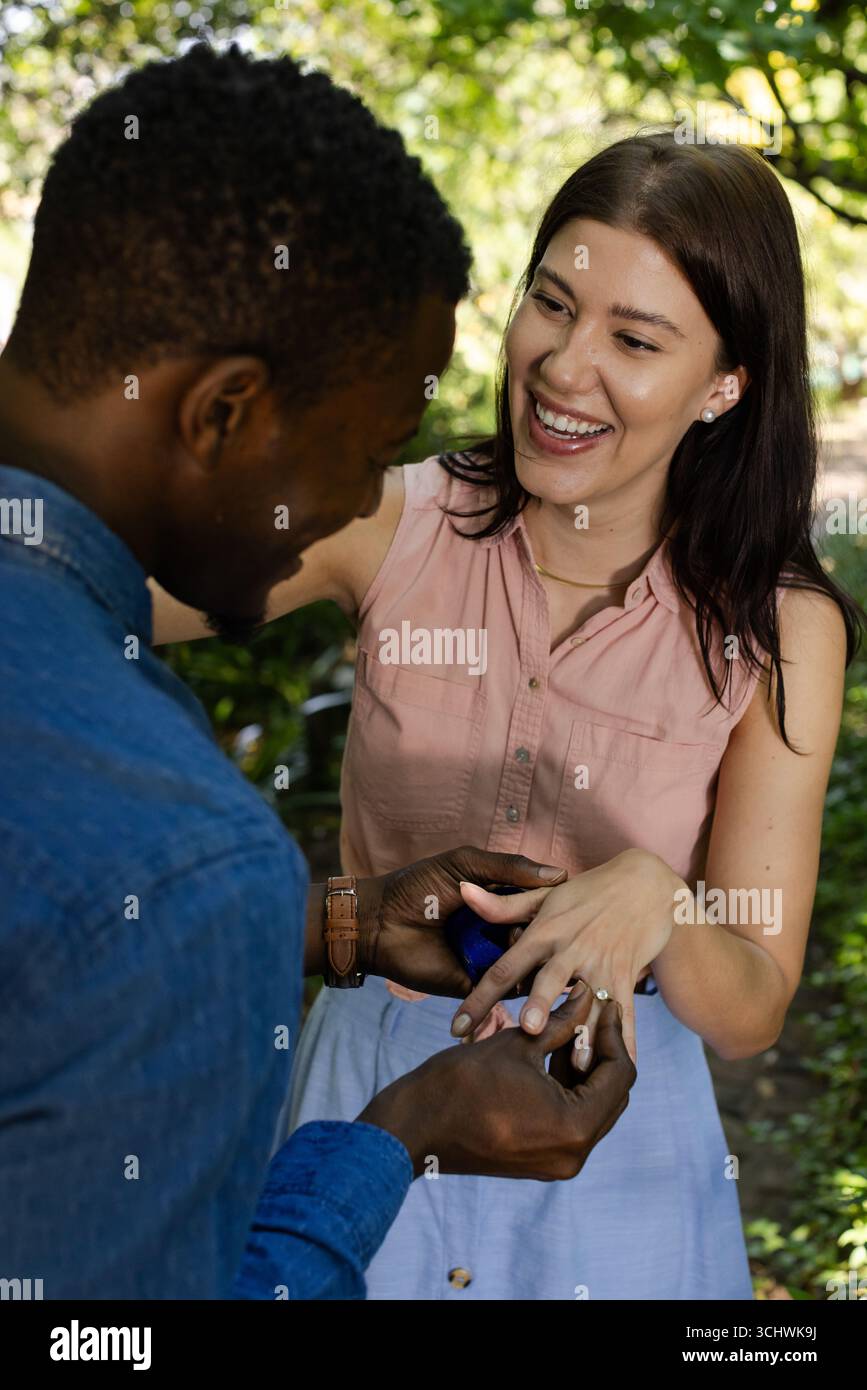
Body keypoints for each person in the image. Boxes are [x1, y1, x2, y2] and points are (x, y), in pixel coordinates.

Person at [154, 130, 861, 1300]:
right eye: (552, 303)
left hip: (612, 1142)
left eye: (635, 340)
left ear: (726, 385)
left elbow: (752, 1007)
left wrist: (664, 905)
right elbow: (96, 579)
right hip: (360, 1109)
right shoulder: (389, 522)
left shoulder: (779, 628)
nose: (564, 366)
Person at [0, 43, 635, 1301]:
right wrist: (400, 1135)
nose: (362, 498)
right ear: (225, 413)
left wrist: (333, 922)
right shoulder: (189, 856)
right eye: (366, 447)